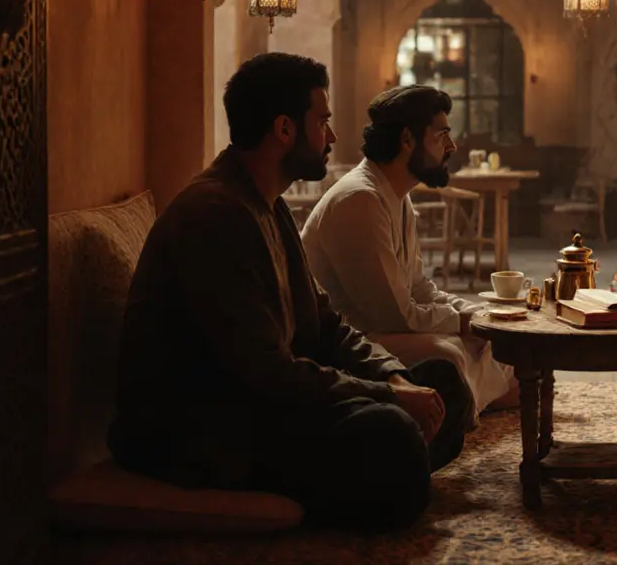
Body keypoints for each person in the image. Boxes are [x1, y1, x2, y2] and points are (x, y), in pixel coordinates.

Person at [108, 53, 471, 530]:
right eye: (322, 121)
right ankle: (384, 472)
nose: (334, 137)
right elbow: (263, 375)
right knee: (394, 433)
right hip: (206, 429)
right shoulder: (214, 215)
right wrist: (384, 396)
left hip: (266, 405)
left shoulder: (268, 205)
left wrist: (394, 377)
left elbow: (327, 326)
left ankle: (382, 474)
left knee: (442, 385)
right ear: (284, 129)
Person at [301, 86, 517, 424]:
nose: (452, 146)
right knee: (448, 353)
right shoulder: (359, 199)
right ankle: (478, 403)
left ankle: (479, 400)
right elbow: (394, 315)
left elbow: (419, 288)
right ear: (406, 140)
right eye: (442, 134)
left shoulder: (397, 196)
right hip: (352, 341)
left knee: (487, 343)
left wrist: (478, 315)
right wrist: (463, 324)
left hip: (384, 327)